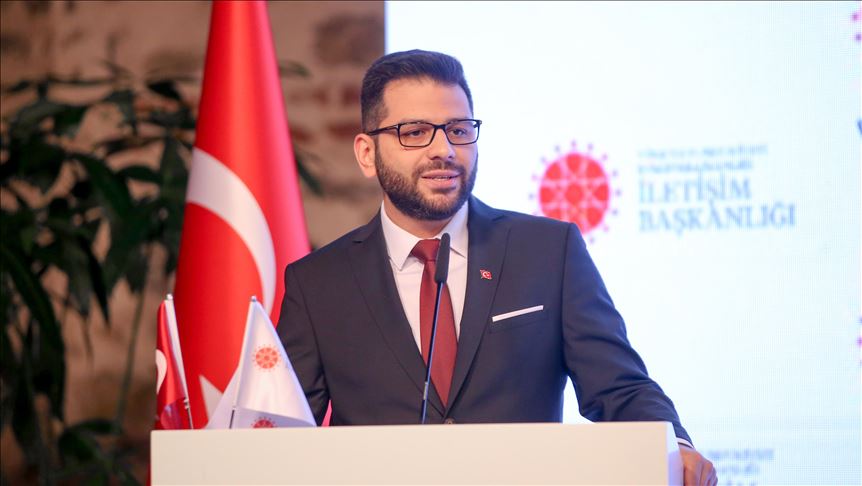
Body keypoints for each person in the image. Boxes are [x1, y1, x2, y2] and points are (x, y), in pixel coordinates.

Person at [278, 49, 717, 486]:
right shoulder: (318, 285)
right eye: (415, 133)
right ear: (366, 153)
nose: (443, 150)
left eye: (458, 130)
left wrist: (674, 447)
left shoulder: (548, 252)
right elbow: (282, 436)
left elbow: (619, 387)